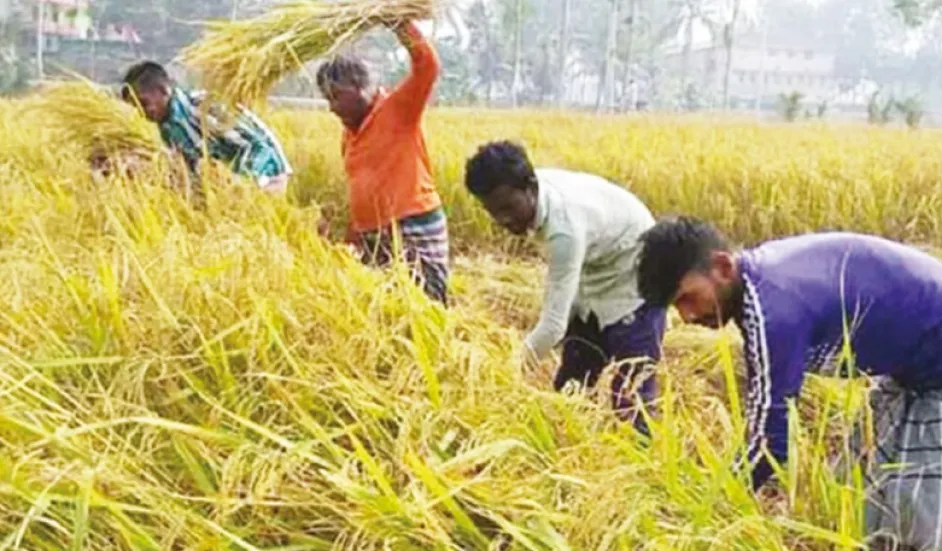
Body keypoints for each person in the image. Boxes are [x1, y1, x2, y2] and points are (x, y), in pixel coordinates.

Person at [635, 216, 942, 550]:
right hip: (915, 372)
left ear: (722, 267)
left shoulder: (772, 309)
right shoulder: (761, 283)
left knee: (937, 521)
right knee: (851, 494)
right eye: (676, 307)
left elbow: (769, 441)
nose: (687, 316)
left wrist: (706, 507)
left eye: (687, 297)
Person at [464, 140, 666, 436]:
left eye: (508, 207)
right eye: (493, 211)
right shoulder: (529, 187)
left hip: (638, 282)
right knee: (571, 386)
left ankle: (648, 471)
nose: (502, 220)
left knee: (631, 400)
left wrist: (506, 372)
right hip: (597, 275)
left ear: (530, 187)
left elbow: (553, 326)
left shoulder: (564, 228)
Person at [315, 19, 447, 305]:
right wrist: (352, 240)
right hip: (375, 235)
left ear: (359, 86)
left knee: (426, 308)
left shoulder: (397, 110)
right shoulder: (348, 135)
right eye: (327, 98)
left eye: (336, 96)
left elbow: (428, 66)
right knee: (387, 311)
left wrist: (398, 22)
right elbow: (360, 190)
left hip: (412, 227)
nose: (331, 107)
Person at [121, 61, 292, 195]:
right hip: (232, 185)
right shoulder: (167, 128)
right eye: (135, 107)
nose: (141, 113)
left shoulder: (204, 106)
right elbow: (189, 168)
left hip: (267, 174)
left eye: (144, 103)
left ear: (163, 90)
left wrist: (241, 183)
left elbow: (257, 145)